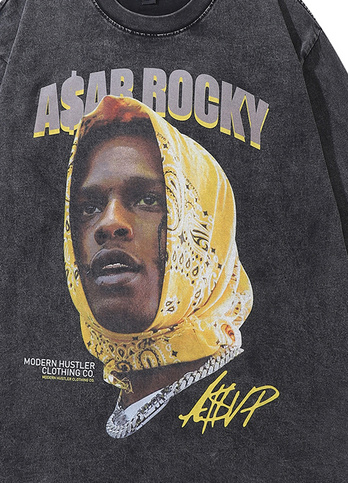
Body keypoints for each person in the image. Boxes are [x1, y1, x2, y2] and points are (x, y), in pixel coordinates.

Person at [63, 95, 253, 438]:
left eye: (148, 200)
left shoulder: (262, 411)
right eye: (89, 207)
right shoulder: (59, 423)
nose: (109, 223)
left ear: (205, 226)